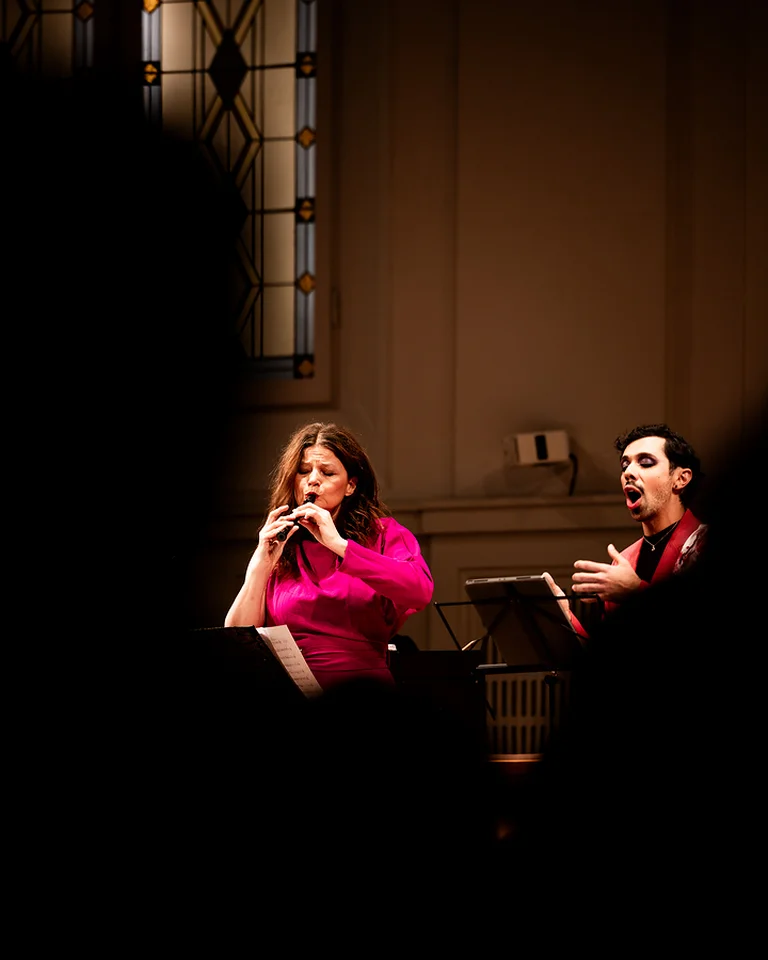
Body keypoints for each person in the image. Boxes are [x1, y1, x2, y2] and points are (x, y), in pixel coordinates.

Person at [224, 421, 434, 690]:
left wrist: (339, 545)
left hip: (364, 693)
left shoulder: (383, 534)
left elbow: (420, 591)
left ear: (350, 486)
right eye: (303, 471)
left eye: (327, 472)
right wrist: (261, 564)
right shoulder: (283, 545)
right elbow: (238, 636)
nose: (312, 480)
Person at [545, 423, 707, 637]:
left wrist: (635, 592)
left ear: (681, 478)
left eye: (646, 463)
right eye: (624, 466)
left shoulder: (706, 544)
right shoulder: (624, 561)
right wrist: (565, 619)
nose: (629, 472)